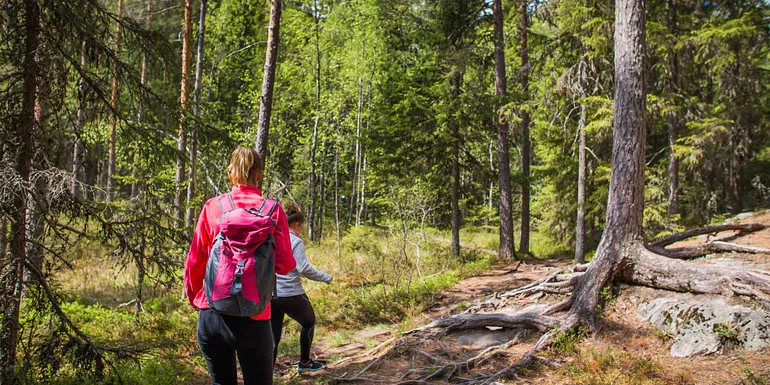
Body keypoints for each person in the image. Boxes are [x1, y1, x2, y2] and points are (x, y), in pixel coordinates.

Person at [184, 146, 296, 385]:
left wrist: (198, 301)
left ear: (230, 174)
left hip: (213, 311)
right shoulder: (272, 210)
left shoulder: (213, 207)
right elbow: (285, 264)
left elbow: (195, 261)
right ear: (260, 174)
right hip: (254, 316)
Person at [271, 202, 333, 372]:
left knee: (273, 334)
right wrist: (326, 278)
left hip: (270, 294)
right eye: (302, 226)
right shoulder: (295, 240)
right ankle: (305, 363)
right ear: (297, 224)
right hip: (290, 293)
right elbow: (303, 268)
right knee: (309, 322)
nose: (302, 229)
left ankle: (267, 372)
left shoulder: (274, 237)